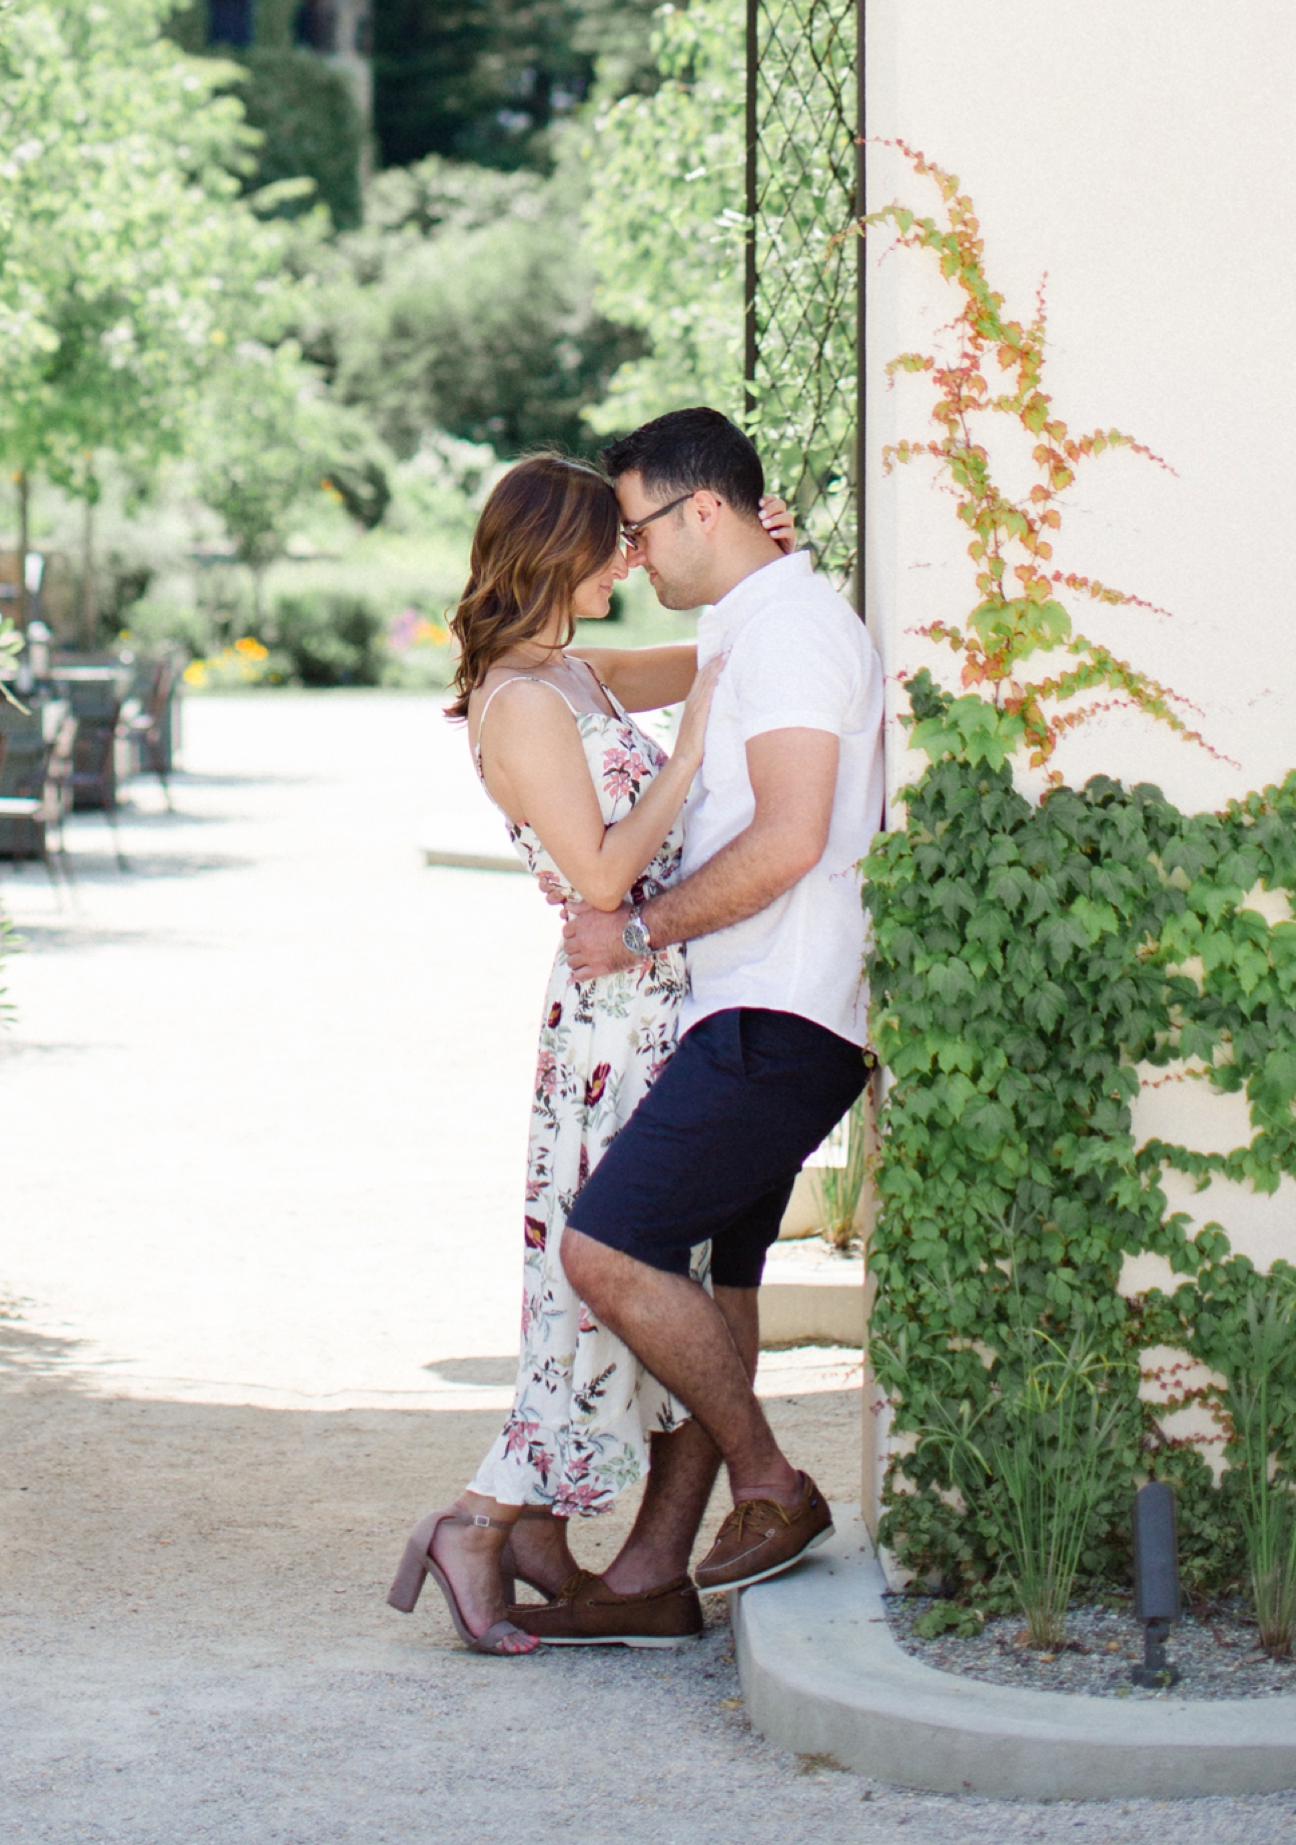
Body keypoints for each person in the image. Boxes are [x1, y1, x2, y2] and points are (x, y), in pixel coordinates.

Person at [387, 452, 793, 1659]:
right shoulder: (517, 703)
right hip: (615, 1022)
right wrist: (688, 753)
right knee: (602, 1284)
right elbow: (604, 877)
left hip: (665, 1002)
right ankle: (478, 1519)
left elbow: (721, 651)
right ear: (556, 551)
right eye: (612, 541)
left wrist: (769, 559)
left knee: (654, 1278)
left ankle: (531, 1532)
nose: (633, 556)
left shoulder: (574, 670)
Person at [555, 406, 883, 1603]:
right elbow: (587, 675)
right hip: (752, 1009)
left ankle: (770, 1482)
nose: (630, 558)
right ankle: (652, 1572)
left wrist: (634, 930)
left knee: (604, 1247)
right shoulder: (756, 626)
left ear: (705, 509)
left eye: (638, 528)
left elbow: (791, 839)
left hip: (778, 1015)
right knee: (718, 1288)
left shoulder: (790, 634)